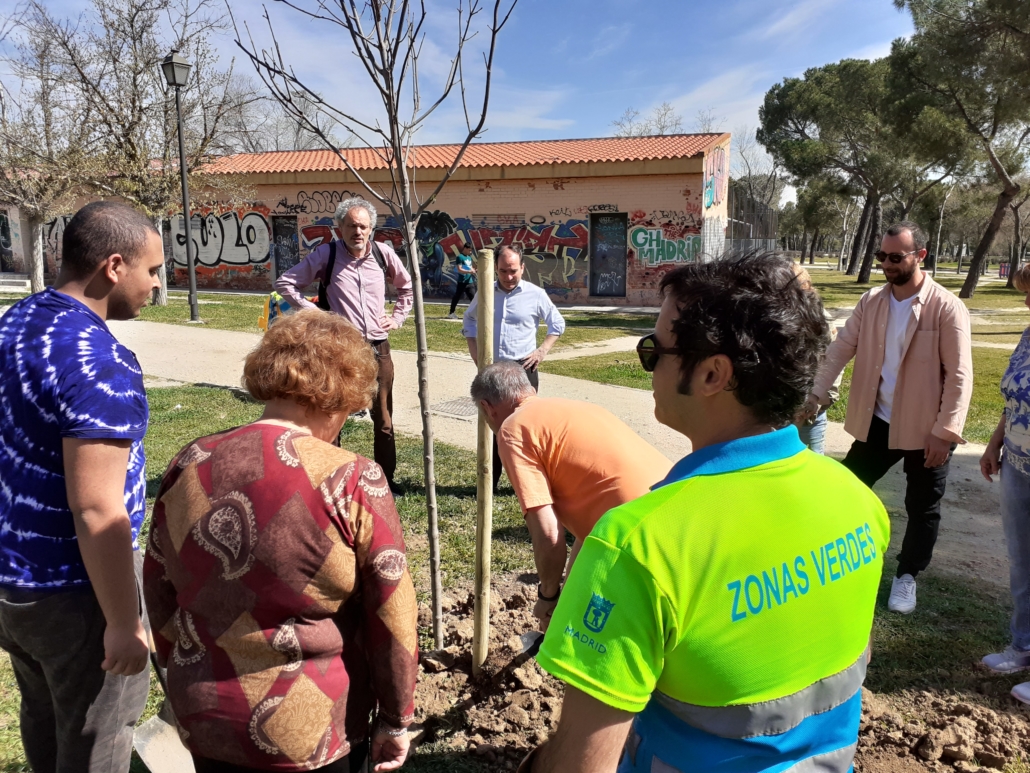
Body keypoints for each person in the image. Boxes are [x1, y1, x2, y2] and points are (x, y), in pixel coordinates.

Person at [521, 253, 889, 773]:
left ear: (714, 373)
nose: (649, 363)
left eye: (654, 350)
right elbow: (854, 657)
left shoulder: (637, 546)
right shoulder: (857, 500)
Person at [143, 309, 417, 773]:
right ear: (340, 396)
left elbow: (159, 583)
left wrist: (181, 665)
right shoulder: (352, 478)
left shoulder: (190, 460)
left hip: (205, 713)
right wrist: (396, 717)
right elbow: (392, 611)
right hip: (310, 725)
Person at [0, 201, 164, 772]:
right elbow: (97, 507)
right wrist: (122, 622)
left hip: (14, 584)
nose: (156, 284)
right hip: (75, 591)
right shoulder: (99, 362)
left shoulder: (16, 323)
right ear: (114, 266)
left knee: (45, 711)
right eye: (152, 270)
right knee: (97, 734)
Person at [803, 221, 972, 614]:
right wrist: (815, 395)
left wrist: (945, 432)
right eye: (882, 256)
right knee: (846, 488)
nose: (886, 264)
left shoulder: (946, 307)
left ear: (920, 256)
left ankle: (907, 576)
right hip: (877, 421)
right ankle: (836, 562)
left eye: (896, 257)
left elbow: (960, 375)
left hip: (927, 429)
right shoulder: (871, 302)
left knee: (922, 507)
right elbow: (840, 350)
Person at [470, 361, 672, 631]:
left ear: (487, 407)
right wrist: (567, 594)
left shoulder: (513, 430)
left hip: (641, 536)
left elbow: (548, 532)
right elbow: (588, 523)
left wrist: (548, 596)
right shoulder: (578, 409)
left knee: (608, 631)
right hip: (678, 509)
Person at [275, 198, 413, 495]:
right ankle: (333, 480)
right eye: (351, 226)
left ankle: (386, 480)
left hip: (378, 347)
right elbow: (285, 283)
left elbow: (407, 287)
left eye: (363, 226)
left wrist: (397, 318)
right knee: (333, 416)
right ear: (340, 227)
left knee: (383, 418)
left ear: (371, 228)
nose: (357, 232)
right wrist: (315, 313)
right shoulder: (327, 254)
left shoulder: (383, 254)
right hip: (339, 349)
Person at [462, 244, 566, 490]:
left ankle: (529, 484)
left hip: (524, 369)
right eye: (503, 271)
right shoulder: (486, 292)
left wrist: (542, 351)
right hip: (494, 369)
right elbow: (469, 319)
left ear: (522, 267)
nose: (508, 277)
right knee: (495, 428)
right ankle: (490, 484)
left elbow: (557, 324)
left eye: (513, 271)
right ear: (495, 269)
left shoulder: (535, 294)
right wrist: (476, 354)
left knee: (527, 428)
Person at [980, 263, 1030, 703]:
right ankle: (1023, 645)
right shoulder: (1028, 336)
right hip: (1017, 462)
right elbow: (1014, 398)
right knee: (1022, 560)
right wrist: (995, 441)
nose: (1027, 301)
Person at [791, 262, 839, 454]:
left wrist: (815, 400)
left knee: (810, 461)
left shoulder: (821, 320)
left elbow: (832, 363)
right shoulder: (773, 317)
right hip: (777, 409)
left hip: (809, 409)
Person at [446, 243, 476, 319]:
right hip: (462, 282)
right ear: (465, 248)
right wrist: (469, 271)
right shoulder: (460, 257)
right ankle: (451, 313)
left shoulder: (469, 258)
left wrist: (474, 270)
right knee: (457, 297)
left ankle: (474, 314)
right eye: (469, 250)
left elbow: (470, 268)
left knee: (474, 299)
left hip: (470, 282)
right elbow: (459, 269)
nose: (470, 252)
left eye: (471, 250)